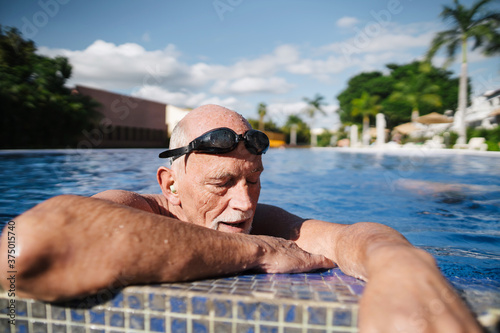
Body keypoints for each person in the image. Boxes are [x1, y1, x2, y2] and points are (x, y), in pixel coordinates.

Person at [0, 105, 481, 333]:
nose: (245, 205)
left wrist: (402, 266)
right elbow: (21, 248)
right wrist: (257, 251)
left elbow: (352, 235)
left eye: (253, 181)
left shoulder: (261, 214)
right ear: (170, 185)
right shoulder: (131, 208)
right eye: (221, 183)